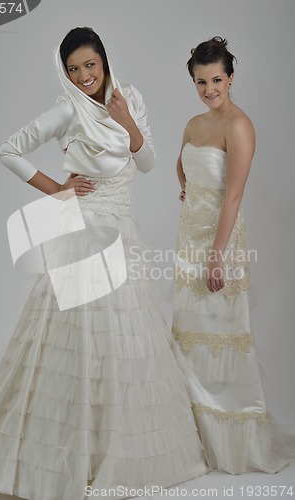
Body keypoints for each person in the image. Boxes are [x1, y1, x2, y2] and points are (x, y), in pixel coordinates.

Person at [0, 27, 208, 500]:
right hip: (84, 229)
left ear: (104, 61)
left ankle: (107, 449)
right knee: (75, 340)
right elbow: (7, 150)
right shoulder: (66, 108)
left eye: (89, 65)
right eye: (73, 69)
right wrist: (56, 189)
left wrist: (126, 121)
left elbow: (150, 161)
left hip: (124, 228)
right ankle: (55, 461)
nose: (83, 76)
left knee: (124, 341)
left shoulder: (129, 98)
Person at [172, 36, 288, 474]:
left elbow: (234, 196)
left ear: (231, 77)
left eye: (217, 79)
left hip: (219, 243)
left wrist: (217, 255)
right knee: (188, 334)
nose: (209, 89)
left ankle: (233, 443)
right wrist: (188, 188)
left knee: (221, 335)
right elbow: (183, 167)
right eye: (201, 82)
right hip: (189, 240)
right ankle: (195, 443)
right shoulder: (192, 123)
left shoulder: (240, 125)